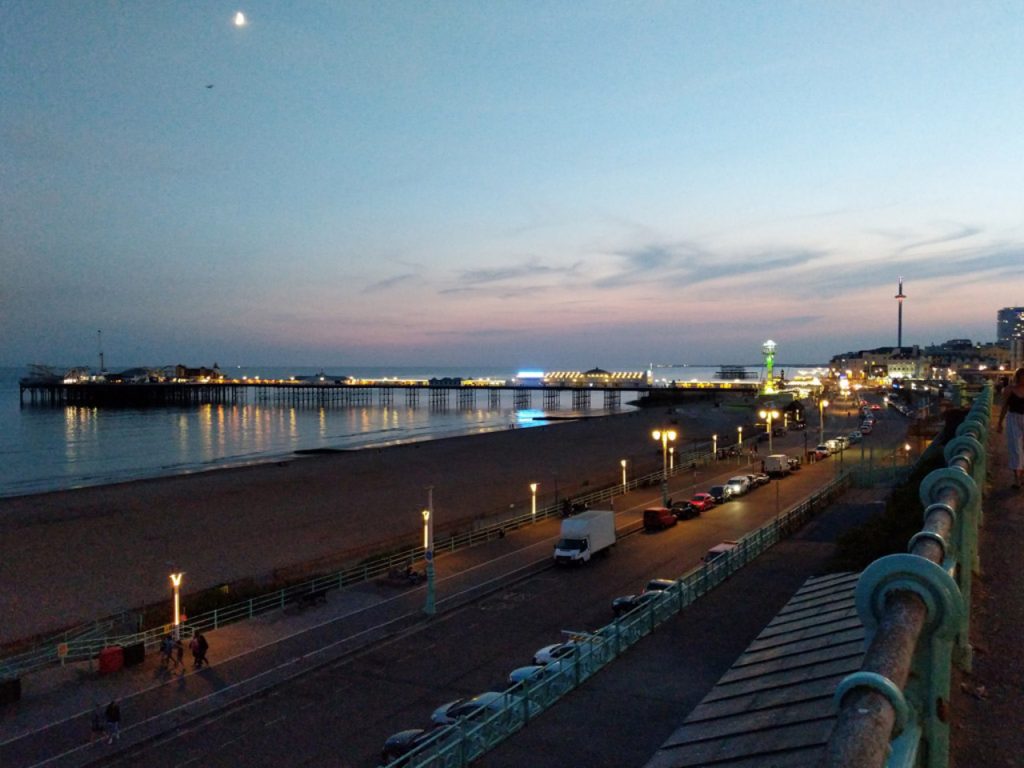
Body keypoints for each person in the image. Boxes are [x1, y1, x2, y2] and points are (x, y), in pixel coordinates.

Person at [996, 366, 1024, 490]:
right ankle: (1017, 478)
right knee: (1016, 449)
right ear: (1017, 377)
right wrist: (999, 423)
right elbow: (1004, 407)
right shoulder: (1009, 390)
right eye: (1021, 377)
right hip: (1013, 419)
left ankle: (1021, 476)